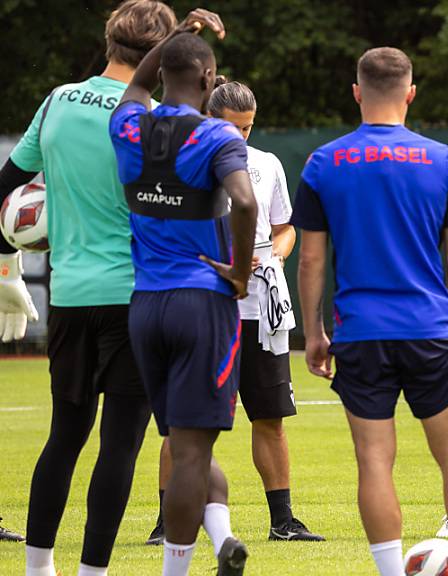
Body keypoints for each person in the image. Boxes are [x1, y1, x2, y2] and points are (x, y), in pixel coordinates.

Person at [292, 46, 448, 576]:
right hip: (430, 329)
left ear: (357, 92)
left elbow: (310, 260)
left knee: (375, 461)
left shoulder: (323, 162)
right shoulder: (441, 159)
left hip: (358, 333)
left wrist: (312, 332)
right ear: (411, 93)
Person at [0, 2, 176, 575]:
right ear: (161, 53)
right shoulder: (150, 118)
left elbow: (4, 189)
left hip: (70, 298)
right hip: (136, 298)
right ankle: (91, 573)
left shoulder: (56, 101)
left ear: (109, 40)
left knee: (64, 436)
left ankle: (36, 567)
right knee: (120, 444)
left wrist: (7, 262)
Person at [145, 80, 324, 546]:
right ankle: (168, 522)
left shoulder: (266, 164)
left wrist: (276, 256)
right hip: (204, 305)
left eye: (248, 127)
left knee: (269, 416)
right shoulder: (183, 161)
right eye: (233, 127)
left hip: (261, 308)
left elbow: (286, 229)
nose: (242, 137)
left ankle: (283, 521)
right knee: (186, 420)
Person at [109, 11, 257, 575]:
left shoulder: (127, 128)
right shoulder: (218, 134)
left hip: (145, 305)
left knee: (185, 442)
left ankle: (221, 538)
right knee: (192, 450)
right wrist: (240, 272)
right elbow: (243, 202)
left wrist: (176, 36)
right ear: (209, 78)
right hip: (202, 304)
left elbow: (136, 86)